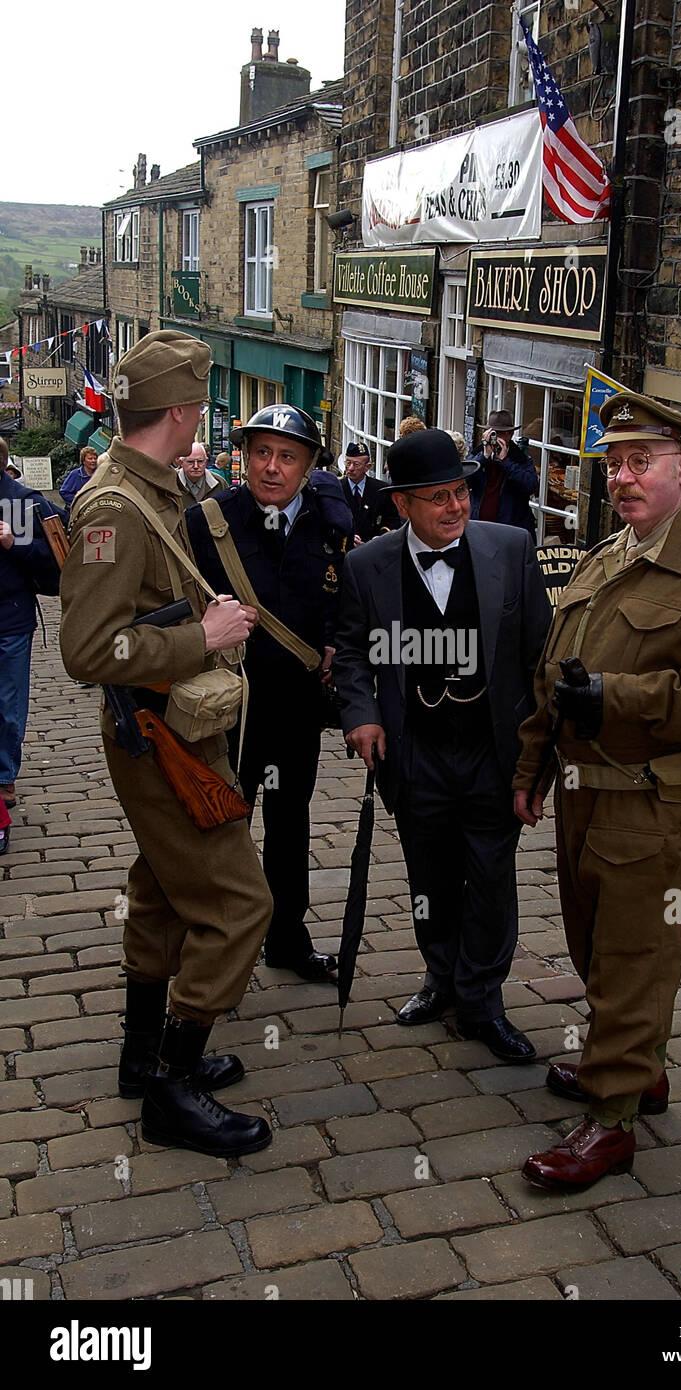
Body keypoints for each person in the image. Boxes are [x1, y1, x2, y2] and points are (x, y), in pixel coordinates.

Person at [513, 388, 681, 1190]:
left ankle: (611, 1119)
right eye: (614, 462)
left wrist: (621, 699)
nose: (622, 477)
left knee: (632, 956)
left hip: (654, 799)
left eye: (642, 461)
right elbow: (552, 676)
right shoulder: (606, 555)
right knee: (595, 946)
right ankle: (640, 1070)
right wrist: (530, 769)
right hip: (581, 792)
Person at [59, 329, 274, 1159]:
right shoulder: (116, 507)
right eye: (200, 408)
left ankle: (141, 1058)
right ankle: (173, 1090)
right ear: (180, 410)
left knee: (158, 889)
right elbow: (86, 650)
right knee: (238, 905)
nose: (202, 422)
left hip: (172, 729)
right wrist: (203, 635)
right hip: (158, 739)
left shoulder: (152, 488)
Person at [334, 428, 551, 1062]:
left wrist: (539, 756)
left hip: (491, 748)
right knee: (428, 873)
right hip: (416, 751)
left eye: (459, 491)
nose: (456, 506)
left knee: (489, 878)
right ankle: (440, 977)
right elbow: (351, 653)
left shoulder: (510, 549)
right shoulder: (366, 566)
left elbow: (540, 655)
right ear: (401, 504)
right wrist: (362, 714)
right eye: (437, 497)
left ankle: (483, 1000)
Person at [186, 405, 352, 983]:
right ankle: (213, 945)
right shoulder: (208, 522)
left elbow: (342, 602)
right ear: (244, 456)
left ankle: (287, 936)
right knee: (221, 824)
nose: (272, 467)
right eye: (262, 452)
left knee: (290, 821)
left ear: (308, 466)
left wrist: (334, 643)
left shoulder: (329, 527)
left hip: (295, 709)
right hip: (226, 708)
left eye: (287, 456)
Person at [0, 435, 65, 810]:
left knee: (7, 703)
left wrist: (14, 543)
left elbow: (57, 560)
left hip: (9, 618)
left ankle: (4, 776)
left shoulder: (21, 503)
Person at [468, 410, 538, 538]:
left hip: (509, 532)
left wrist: (506, 462)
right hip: (478, 529)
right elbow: (465, 480)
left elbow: (530, 485)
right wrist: (484, 456)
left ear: (510, 434)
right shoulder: (478, 455)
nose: (496, 438)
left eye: (500, 433)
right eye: (493, 433)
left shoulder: (521, 459)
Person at [341, 442, 395, 545]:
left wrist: (378, 539)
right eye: (348, 463)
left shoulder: (381, 490)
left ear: (367, 467)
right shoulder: (336, 489)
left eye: (356, 464)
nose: (351, 468)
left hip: (372, 552)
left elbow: (392, 520)